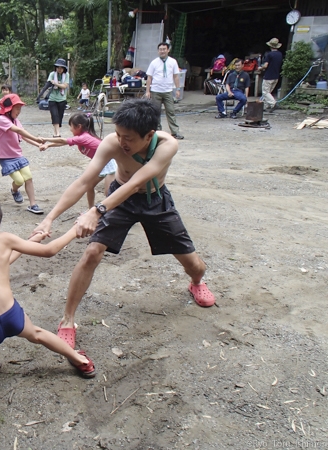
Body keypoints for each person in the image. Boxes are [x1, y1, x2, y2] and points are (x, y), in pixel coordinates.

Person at [33, 99, 215, 349]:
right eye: (118, 134)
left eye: (128, 137)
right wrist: (49, 217)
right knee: (92, 252)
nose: (121, 142)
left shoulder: (166, 145)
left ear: (149, 135)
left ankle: (196, 283)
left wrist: (96, 211)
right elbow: (84, 181)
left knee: (194, 265)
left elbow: (136, 183)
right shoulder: (112, 142)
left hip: (155, 199)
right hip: (119, 200)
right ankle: (67, 320)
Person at [0, 193, 96, 378]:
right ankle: (81, 361)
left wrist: (33, 240)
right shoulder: (4, 239)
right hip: (12, 317)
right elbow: (49, 251)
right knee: (37, 334)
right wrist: (74, 230)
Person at [40, 112, 116, 209]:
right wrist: (48, 145)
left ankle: (113, 214)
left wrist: (45, 139)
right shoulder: (81, 137)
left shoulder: (84, 137)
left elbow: (63, 141)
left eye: (71, 126)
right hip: (100, 163)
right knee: (89, 186)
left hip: (110, 162)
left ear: (78, 126)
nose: (70, 129)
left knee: (109, 193)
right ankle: (90, 210)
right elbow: (64, 143)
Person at [0, 93, 44, 215]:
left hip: (17, 155)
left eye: (20, 108)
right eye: (17, 108)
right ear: (9, 108)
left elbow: (22, 135)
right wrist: (36, 138)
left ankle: (33, 204)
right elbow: (18, 130)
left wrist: (37, 144)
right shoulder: (1, 120)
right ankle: (14, 190)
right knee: (19, 181)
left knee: (28, 177)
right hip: (5, 157)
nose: (19, 111)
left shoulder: (16, 121)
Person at [145, 43, 184, 140]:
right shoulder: (154, 62)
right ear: (158, 51)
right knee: (156, 112)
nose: (162, 51)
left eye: (164, 49)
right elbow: (149, 77)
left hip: (168, 91)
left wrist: (178, 89)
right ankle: (157, 132)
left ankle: (175, 132)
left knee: (170, 111)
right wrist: (147, 91)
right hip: (156, 91)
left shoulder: (173, 62)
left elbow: (176, 76)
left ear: (168, 50)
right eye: (160, 49)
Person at [47, 58, 70, 137]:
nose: (59, 69)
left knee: (60, 116)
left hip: (62, 98)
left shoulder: (66, 75)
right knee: (54, 115)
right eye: (58, 67)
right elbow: (49, 83)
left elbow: (65, 86)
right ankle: (57, 133)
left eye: (61, 67)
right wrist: (56, 83)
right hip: (52, 98)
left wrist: (56, 83)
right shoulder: (52, 74)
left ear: (64, 68)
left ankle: (56, 131)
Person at [261, 38, 283, 112]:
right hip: (276, 76)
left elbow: (265, 65)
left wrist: (260, 68)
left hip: (268, 76)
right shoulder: (280, 54)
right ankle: (265, 106)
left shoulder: (269, 55)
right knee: (268, 92)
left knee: (265, 92)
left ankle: (273, 104)